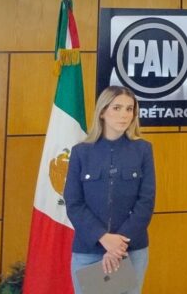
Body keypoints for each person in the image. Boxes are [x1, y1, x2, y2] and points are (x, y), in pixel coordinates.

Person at [65, 86, 155, 294]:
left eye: (129, 109)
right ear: (102, 112)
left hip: (130, 250)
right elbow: (74, 203)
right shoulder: (81, 152)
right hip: (90, 250)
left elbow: (146, 201)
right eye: (117, 108)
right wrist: (104, 238)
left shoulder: (143, 150)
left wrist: (118, 245)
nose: (124, 115)